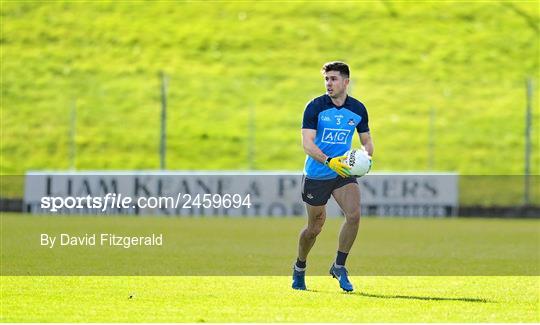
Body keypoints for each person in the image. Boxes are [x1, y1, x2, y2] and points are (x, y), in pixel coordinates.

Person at [292, 61, 374, 292]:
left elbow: (366, 140)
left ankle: (339, 266)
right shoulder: (315, 107)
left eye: (334, 79)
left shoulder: (358, 109)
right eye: (326, 79)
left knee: (354, 215)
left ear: (346, 82)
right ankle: (300, 267)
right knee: (314, 228)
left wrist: (366, 156)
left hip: (343, 174)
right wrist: (329, 161)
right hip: (317, 174)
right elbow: (307, 144)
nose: (329, 83)